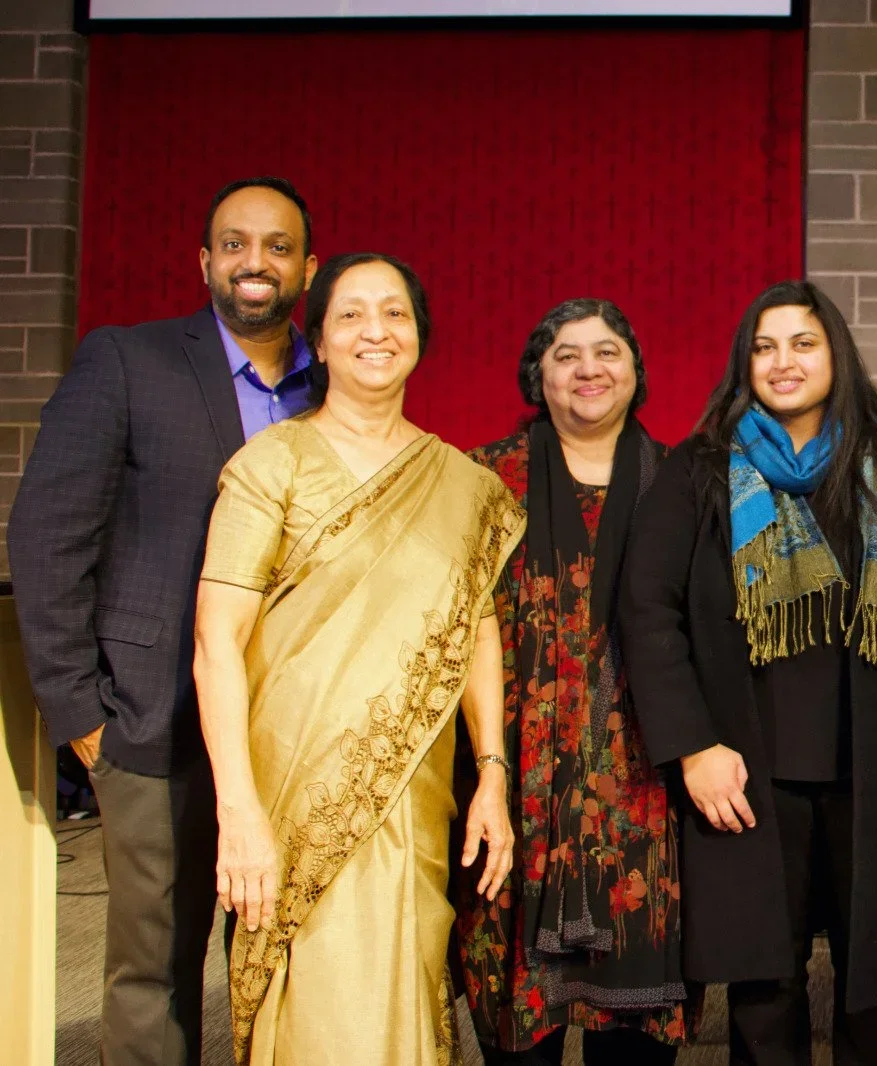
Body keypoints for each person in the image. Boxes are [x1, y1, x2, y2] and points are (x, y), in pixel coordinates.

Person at [9, 175, 317, 1065]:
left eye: (277, 246)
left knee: (283, 965)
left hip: (290, 730)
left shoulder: (332, 387)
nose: (254, 262)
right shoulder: (127, 362)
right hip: (152, 720)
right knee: (154, 973)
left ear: (308, 266)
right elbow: (47, 535)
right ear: (204, 260)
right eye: (234, 244)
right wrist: (81, 714)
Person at [191, 252, 525, 1064]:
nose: (375, 331)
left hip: (413, 796)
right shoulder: (271, 467)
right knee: (311, 1010)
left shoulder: (465, 487)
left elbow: (475, 630)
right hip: (289, 795)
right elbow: (215, 646)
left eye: (395, 314)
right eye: (351, 315)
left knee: (402, 994)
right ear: (321, 341)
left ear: (419, 337)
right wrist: (239, 812)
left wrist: (492, 772)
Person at [620, 280, 877, 1066]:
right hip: (743, 773)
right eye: (764, 347)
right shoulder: (702, 470)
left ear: (835, 354)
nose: (782, 362)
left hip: (870, 765)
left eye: (802, 343)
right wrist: (694, 749)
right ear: (745, 364)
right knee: (763, 998)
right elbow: (648, 611)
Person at [455, 298, 687, 1065]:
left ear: (635, 370)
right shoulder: (485, 480)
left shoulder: (682, 481)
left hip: (646, 789)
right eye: (565, 354)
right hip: (514, 777)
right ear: (538, 375)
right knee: (521, 1031)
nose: (589, 368)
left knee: (635, 1037)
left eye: (608, 351)